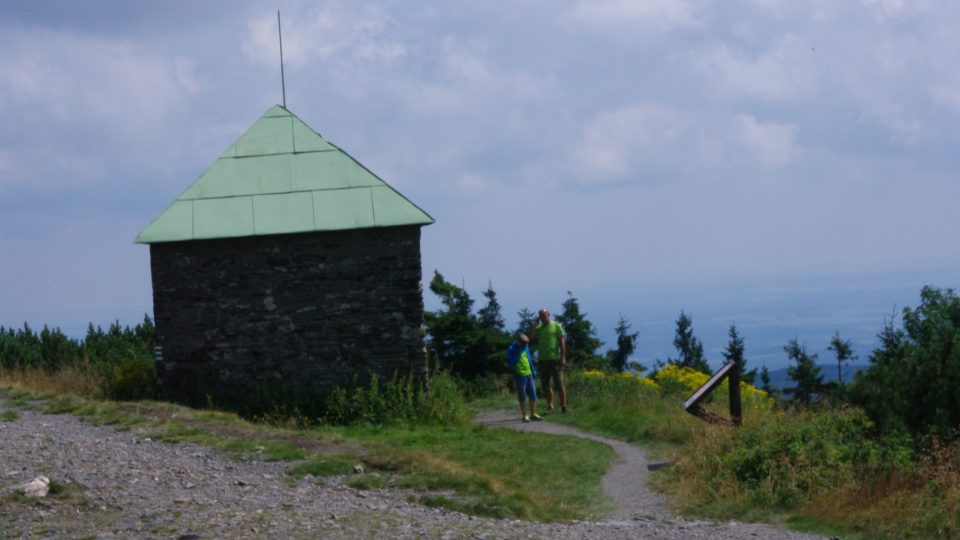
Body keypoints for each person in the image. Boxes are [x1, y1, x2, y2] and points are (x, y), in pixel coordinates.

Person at [530, 308, 568, 413]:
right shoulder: (539, 328)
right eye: (540, 316)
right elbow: (531, 338)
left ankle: (564, 406)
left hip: (555, 359)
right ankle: (550, 406)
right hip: (542, 360)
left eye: (544, 315)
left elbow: (562, 342)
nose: (542, 318)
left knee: (559, 384)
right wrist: (534, 325)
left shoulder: (556, 326)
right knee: (546, 385)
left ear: (549, 315)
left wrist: (563, 357)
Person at [507, 333, 543, 422]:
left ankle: (533, 414)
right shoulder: (512, 349)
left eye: (526, 344)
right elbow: (511, 364)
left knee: (533, 395)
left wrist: (533, 371)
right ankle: (524, 416)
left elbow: (529, 359)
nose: (525, 346)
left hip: (529, 374)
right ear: (518, 341)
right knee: (522, 396)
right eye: (523, 344)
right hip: (520, 375)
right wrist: (517, 354)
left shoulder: (525, 347)